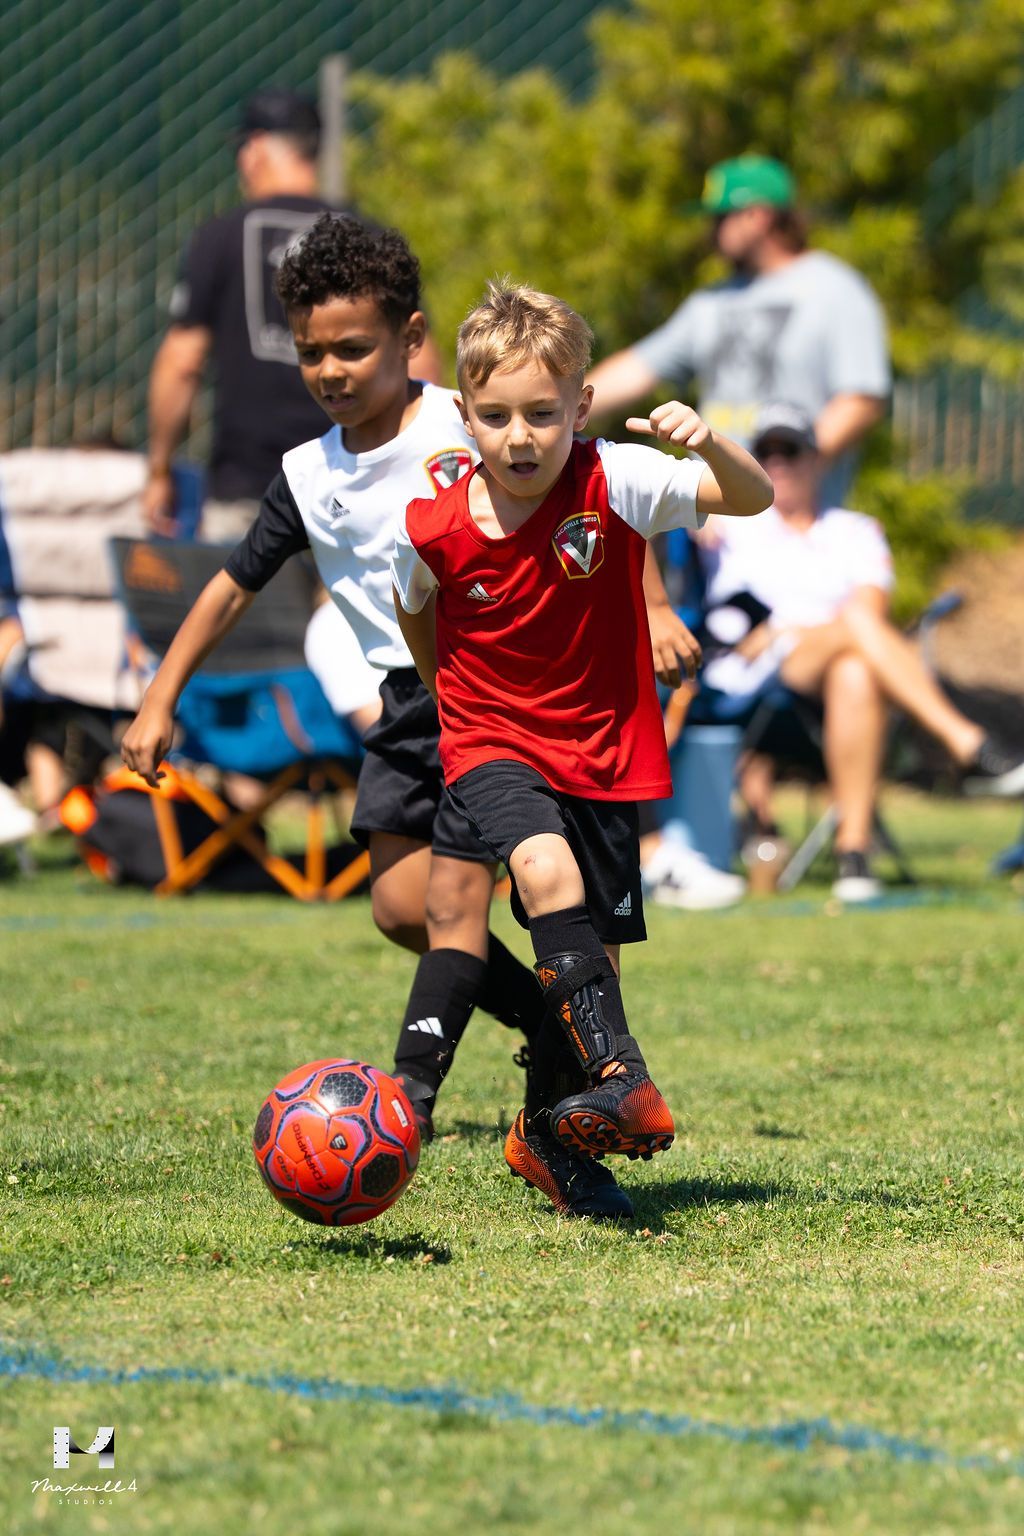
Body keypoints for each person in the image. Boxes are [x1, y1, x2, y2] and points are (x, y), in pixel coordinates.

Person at [122, 214, 542, 1156]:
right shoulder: (308, 476)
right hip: (404, 705)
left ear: (413, 339)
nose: (332, 371)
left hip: (490, 692)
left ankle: (407, 1105)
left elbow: (583, 494)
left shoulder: (467, 425)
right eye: (312, 354)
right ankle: (550, 1028)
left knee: (451, 908)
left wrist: (651, 604)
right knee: (400, 910)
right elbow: (232, 586)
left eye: (355, 349)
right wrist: (160, 697)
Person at [391, 282, 773, 1219]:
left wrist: (709, 442)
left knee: (590, 962)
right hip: (490, 742)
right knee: (543, 871)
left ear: (581, 407)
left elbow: (753, 498)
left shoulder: (618, 479)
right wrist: (456, 707)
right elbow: (417, 617)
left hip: (602, 751)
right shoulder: (430, 525)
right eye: (494, 416)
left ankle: (547, 1137)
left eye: (541, 414)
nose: (519, 437)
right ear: (463, 415)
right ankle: (626, 1074)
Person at [587, 152, 893, 908]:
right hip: (721, 545)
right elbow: (634, 371)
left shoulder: (834, 291)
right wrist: (545, 398)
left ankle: (833, 843)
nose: (714, 232)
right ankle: (962, 753)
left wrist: (791, 475)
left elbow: (862, 395)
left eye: (721, 216)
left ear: (758, 214)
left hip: (797, 531)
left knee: (848, 656)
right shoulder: (712, 304)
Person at [695, 402, 1024, 902]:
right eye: (766, 452)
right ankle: (967, 744)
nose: (779, 462)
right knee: (854, 628)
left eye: (791, 450)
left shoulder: (855, 530)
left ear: (817, 458)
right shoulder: (728, 525)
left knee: (855, 670)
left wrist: (795, 624)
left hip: (836, 675)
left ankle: (853, 855)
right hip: (758, 682)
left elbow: (872, 606)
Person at [143, 87, 441, 543]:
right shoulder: (368, 236)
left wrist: (160, 469)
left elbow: (181, 363)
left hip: (247, 492)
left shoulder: (221, 236)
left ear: (254, 150)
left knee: (241, 604)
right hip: (355, 488)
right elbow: (422, 366)